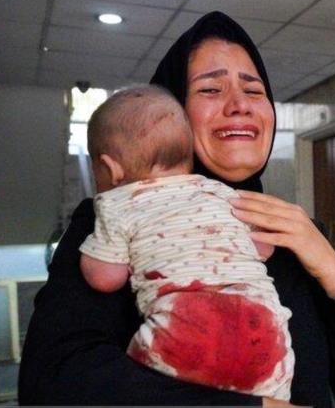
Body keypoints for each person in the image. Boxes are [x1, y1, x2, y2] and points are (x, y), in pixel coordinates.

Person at [19, 11, 335, 407]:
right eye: (211, 89)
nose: (240, 105)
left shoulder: (294, 230)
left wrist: (334, 273)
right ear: (172, 115)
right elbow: (54, 381)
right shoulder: (115, 219)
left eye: (254, 91)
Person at [79, 85, 294, 402]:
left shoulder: (116, 204)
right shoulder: (221, 193)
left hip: (182, 338)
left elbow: (106, 278)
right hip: (264, 334)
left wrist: (90, 253)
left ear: (112, 168)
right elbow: (263, 249)